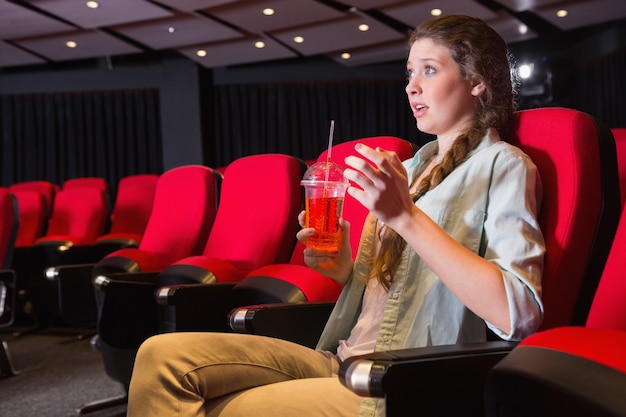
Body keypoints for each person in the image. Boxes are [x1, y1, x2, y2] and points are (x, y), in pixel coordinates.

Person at [126, 14, 545, 417]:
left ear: (476, 81)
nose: (412, 87)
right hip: (342, 357)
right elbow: (394, 290)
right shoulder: (414, 168)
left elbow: (519, 313)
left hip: (396, 380)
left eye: (429, 71)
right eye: (409, 73)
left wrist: (405, 218)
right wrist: (344, 267)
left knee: (215, 408)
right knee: (160, 356)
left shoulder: (503, 165)